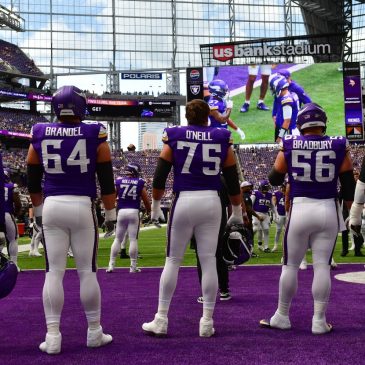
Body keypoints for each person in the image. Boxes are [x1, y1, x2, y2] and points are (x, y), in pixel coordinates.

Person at [142, 99, 243, 337]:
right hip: (211, 201)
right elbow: (231, 179)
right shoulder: (220, 136)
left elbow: (159, 177)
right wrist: (237, 210)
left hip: (185, 200)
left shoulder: (175, 135)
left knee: (173, 261)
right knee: (208, 261)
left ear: (186, 116)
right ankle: (207, 322)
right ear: (208, 115)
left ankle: (161, 319)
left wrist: (155, 206)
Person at [26, 85, 116, 354]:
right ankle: (93, 332)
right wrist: (110, 214)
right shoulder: (94, 132)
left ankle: (52, 337)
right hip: (81, 205)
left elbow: (31, 177)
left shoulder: (40, 131)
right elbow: (107, 182)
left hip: (52, 204)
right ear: (80, 106)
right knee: (86, 272)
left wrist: (39, 211)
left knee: (54, 272)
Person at [260, 103, 355, 334]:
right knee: (322, 265)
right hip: (327, 209)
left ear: (301, 123)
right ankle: (319, 321)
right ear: (323, 122)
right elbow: (349, 187)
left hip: (301, 208)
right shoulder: (339, 144)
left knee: (290, 266)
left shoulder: (290, 143)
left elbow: (273, 178)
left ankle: (282, 316)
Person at [106, 163, 151, 273]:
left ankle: (111, 265)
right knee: (133, 239)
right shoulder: (140, 182)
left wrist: (110, 211)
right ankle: (133, 266)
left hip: (121, 211)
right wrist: (149, 211)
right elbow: (145, 200)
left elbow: (112, 197)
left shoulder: (119, 180)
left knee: (117, 239)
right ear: (135, 171)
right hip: (134, 212)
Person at [271, 75, 300, 143]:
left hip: (288, 133)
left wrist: (280, 137)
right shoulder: (292, 94)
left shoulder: (287, 100)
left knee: (283, 152)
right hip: (289, 130)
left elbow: (287, 121)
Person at [3, 170, 22, 270]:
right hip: (6, 214)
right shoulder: (11, 187)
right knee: (13, 239)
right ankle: (14, 264)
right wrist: (16, 213)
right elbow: (18, 203)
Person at [251, 180, 276, 253]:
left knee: (266, 229)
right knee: (255, 229)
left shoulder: (269, 195)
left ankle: (266, 247)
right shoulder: (255, 193)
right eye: (265, 187)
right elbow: (250, 204)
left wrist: (275, 214)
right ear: (260, 187)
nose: (266, 189)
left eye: (267, 187)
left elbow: (272, 206)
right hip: (256, 213)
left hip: (265, 214)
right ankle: (249, 244)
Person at [240, 180, 263, 257]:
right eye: (248, 186)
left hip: (242, 218)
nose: (250, 187)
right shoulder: (245, 196)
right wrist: (257, 216)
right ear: (243, 187)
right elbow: (248, 208)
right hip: (246, 219)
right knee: (249, 236)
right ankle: (249, 252)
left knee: (244, 236)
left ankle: (244, 252)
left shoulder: (241, 195)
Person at [271, 183, 287, 252]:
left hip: (287, 214)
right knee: (278, 230)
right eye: (281, 187)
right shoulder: (276, 193)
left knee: (287, 231)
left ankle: (285, 245)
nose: (282, 188)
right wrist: (274, 214)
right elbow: (274, 204)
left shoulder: (289, 192)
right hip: (280, 214)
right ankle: (275, 245)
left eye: (283, 187)